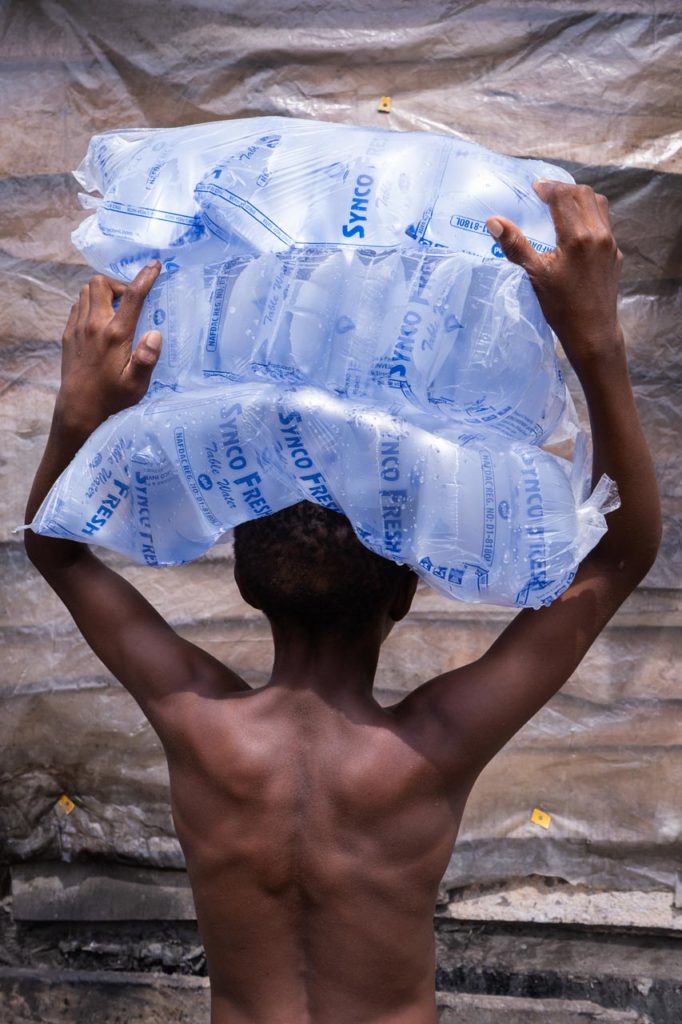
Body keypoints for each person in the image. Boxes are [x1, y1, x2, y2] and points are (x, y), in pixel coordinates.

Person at [25, 181, 660, 1024]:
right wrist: (595, 339)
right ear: (406, 588)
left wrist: (78, 413)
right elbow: (619, 556)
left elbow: (56, 547)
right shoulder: (427, 750)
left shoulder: (203, 727)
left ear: (246, 582)